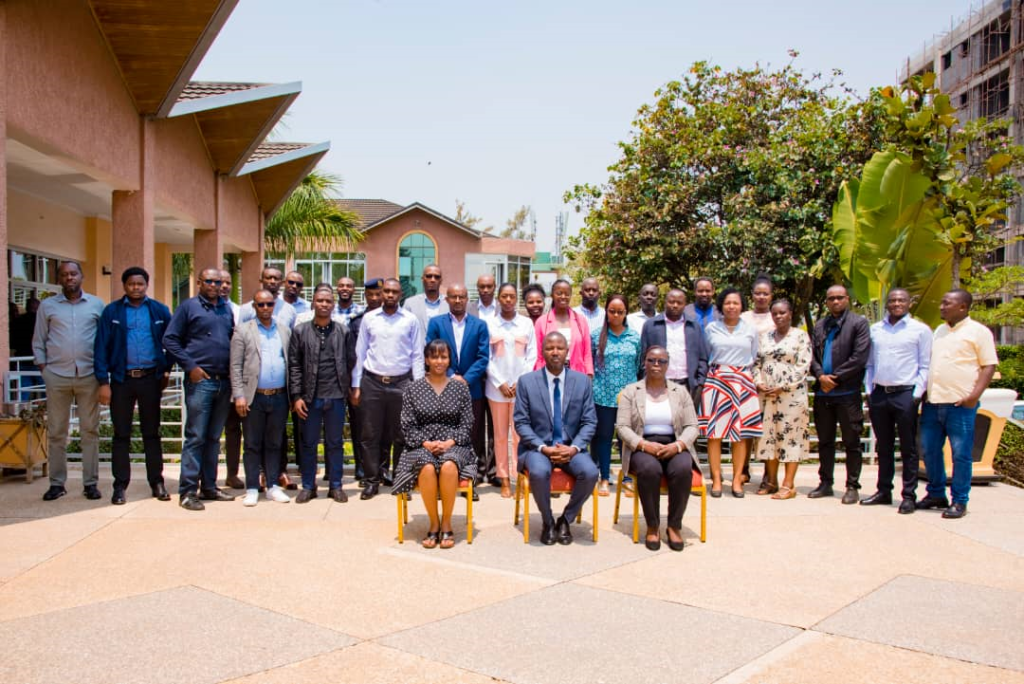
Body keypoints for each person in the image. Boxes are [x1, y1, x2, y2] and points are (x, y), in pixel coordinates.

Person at [93, 266, 172, 504]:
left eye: (140, 284)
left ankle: (156, 482)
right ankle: (120, 486)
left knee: (151, 433)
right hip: (121, 381)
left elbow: (173, 340)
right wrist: (103, 382)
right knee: (121, 435)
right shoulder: (112, 312)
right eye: (131, 284)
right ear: (124, 286)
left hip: (150, 379)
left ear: (146, 285)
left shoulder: (159, 310)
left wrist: (166, 368)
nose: (136, 288)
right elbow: (100, 348)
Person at [918, 289, 998, 519]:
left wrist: (974, 395)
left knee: (961, 454)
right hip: (933, 402)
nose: (942, 307)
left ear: (963, 307)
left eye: (947, 303)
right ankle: (936, 494)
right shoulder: (939, 331)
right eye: (942, 303)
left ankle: (960, 500)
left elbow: (988, 365)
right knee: (930, 451)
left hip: (960, 404)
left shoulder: (978, 332)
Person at [513, 331, 599, 546]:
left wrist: (575, 448)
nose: (555, 352)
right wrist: (543, 448)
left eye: (559, 348)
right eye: (550, 348)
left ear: (567, 351)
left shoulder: (582, 382)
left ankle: (565, 520)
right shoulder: (527, 382)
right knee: (540, 472)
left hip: (570, 448)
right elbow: (521, 423)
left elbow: (590, 421)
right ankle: (548, 521)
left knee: (590, 472)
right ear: (542, 352)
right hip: (538, 448)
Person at [163, 267, 237, 510]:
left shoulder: (225, 308)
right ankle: (187, 492)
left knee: (214, 438)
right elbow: (170, 339)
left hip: (223, 381)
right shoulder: (188, 307)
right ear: (199, 282)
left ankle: (209, 486)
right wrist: (190, 366)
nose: (215, 285)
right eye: (210, 281)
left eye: (218, 281)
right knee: (196, 437)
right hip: (200, 381)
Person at [392, 339, 478, 548]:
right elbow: (407, 425)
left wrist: (449, 442)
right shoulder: (413, 389)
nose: (439, 361)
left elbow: (467, 423)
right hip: (420, 445)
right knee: (427, 466)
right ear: (427, 360)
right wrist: (426, 443)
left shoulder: (460, 388)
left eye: (444, 356)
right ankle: (434, 524)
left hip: (455, 444)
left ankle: (447, 523)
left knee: (449, 465)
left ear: (449, 360)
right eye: (435, 357)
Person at [33, 261, 105, 502]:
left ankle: (90, 483)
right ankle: (57, 483)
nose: (69, 277)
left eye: (73, 273)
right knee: (56, 432)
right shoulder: (48, 306)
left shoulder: (96, 305)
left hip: (88, 376)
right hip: (57, 376)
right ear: (59, 279)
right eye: (64, 274)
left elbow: (103, 341)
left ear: (81, 276)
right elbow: (39, 339)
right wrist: (45, 370)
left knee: (89, 431)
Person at [616, 346, 699, 551]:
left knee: (681, 469)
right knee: (649, 470)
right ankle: (652, 526)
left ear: (667, 365)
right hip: (642, 445)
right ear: (644, 362)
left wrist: (678, 445)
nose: (656, 365)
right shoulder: (630, 392)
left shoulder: (680, 392)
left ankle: (674, 526)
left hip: (674, 442)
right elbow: (622, 427)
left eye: (661, 361)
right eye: (651, 360)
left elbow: (692, 426)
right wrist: (643, 444)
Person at [352, 278, 425, 499]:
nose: (390, 295)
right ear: (381, 294)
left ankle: (401, 480)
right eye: (387, 291)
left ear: (400, 294)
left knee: (402, 435)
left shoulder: (410, 320)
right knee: (370, 434)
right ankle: (372, 481)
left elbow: (417, 355)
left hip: (402, 383)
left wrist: (418, 387)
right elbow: (360, 353)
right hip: (372, 382)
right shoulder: (369, 319)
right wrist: (356, 385)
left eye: (394, 292)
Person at [863, 288, 932, 513]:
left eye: (901, 300)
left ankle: (909, 495)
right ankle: (884, 490)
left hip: (906, 393)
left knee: (908, 447)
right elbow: (870, 363)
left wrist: (916, 395)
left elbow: (925, 365)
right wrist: (869, 390)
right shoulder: (876, 330)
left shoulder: (920, 330)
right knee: (883, 447)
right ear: (886, 303)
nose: (896, 304)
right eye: (892, 300)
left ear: (909, 303)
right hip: (880, 393)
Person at [426, 283, 489, 500]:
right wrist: (452, 376)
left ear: (467, 298)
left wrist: (466, 379)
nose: (458, 300)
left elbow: (483, 357)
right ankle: (444, 481)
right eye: (453, 297)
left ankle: (469, 481)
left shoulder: (480, 325)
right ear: (447, 299)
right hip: (443, 388)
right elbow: (432, 352)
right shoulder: (436, 323)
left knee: (473, 436)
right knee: (446, 434)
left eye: (462, 296)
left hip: (473, 390)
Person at [230, 289, 292, 506]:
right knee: (252, 444)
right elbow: (235, 365)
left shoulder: (284, 330)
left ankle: (273, 486)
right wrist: (239, 395)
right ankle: (252, 488)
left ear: (274, 305)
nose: (265, 308)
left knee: (275, 443)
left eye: (269, 304)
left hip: (279, 396)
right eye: (261, 305)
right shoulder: (243, 331)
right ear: (254, 307)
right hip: (252, 397)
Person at [289, 285, 351, 502]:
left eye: (328, 301)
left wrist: (349, 392)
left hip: (336, 396)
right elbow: (295, 365)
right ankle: (308, 485)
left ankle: (336, 485)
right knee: (308, 443)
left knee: (335, 443)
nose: (324, 304)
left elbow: (350, 362)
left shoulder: (343, 331)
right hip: (309, 397)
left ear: (333, 305)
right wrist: (296, 396)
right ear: (313, 303)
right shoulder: (301, 331)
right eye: (320, 301)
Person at [809, 284, 870, 504]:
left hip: (847, 392)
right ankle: (826, 482)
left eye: (839, 298)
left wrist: (834, 378)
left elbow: (860, 357)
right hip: (823, 394)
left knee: (851, 441)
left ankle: (852, 485)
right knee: (825, 441)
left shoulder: (859, 324)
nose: (835, 302)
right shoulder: (820, 326)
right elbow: (812, 356)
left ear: (847, 299)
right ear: (826, 301)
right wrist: (819, 375)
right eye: (831, 298)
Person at [700, 288, 762, 498]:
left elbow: (753, 355)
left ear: (742, 306)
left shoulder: (750, 330)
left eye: (735, 303)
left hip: (742, 381)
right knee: (714, 434)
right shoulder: (711, 328)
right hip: (717, 380)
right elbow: (707, 354)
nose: (732, 307)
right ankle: (716, 479)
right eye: (727, 303)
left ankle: (737, 479)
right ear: (721, 306)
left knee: (740, 435)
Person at [752, 300, 812, 500]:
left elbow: (803, 366)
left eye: (782, 313)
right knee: (768, 437)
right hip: (767, 396)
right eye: (775, 313)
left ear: (790, 314)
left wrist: (783, 385)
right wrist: (759, 382)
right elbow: (756, 363)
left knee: (790, 437)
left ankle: (788, 484)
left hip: (791, 396)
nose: (779, 316)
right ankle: (771, 481)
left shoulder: (800, 336)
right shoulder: (764, 337)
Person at [486, 282, 537, 498]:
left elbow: (532, 355)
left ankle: (520, 478)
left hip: (520, 390)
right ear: (498, 299)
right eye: (504, 296)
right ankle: (504, 478)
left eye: (511, 296)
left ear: (516, 299)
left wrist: (519, 381)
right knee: (499, 436)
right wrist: (499, 382)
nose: (508, 300)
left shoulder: (526, 324)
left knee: (519, 436)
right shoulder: (489, 324)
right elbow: (485, 357)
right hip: (496, 389)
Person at [590, 294, 641, 495]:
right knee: (603, 437)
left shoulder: (634, 337)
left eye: (620, 312)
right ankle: (604, 477)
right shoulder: (596, 336)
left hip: (628, 397)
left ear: (626, 313)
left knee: (626, 438)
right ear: (606, 312)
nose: (616, 315)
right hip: (602, 395)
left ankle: (627, 477)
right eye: (612, 311)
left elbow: (638, 365)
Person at [638, 288, 708, 407]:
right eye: (671, 302)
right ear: (665, 302)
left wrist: (700, 383)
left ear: (685, 305)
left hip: (687, 384)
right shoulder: (651, 325)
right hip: (659, 384)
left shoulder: (694, 326)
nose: (675, 305)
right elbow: (643, 357)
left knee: (685, 423)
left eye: (679, 303)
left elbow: (702, 358)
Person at [346, 278, 382, 485]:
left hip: (383, 382)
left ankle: (381, 469)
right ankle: (362, 468)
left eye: (379, 294)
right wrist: (354, 385)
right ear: (365, 296)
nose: (375, 298)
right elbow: (353, 357)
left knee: (383, 429)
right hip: (362, 382)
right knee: (361, 427)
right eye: (371, 295)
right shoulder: (356, 322)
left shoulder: (392, 318)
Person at [533, 279, 593, 376]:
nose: (563, 297)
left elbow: (587, 353)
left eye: (567, 294)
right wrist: (538, 376)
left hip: (577, 373)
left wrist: (589, 374)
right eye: (559, 293)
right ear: (552, 295)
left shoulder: (581, 321)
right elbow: (538, 355)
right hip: (549, 374)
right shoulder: (541, 322)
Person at [219, 270, 244, 490]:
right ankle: (202, 475)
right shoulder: (195, 308)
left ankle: (232, 473)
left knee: (234, 429)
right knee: (208, 430)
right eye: (220, 282)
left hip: (239, 379)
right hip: (213, 378)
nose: (224, 286)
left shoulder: (239, 311)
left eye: (227, 282)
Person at [403, 264, 449, 332]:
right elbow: (404, 329)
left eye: (437, 277)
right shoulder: (410, 303)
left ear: (441, 281)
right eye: (429, 276)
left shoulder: (449, 303)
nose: (433, 280)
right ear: (422, 279)